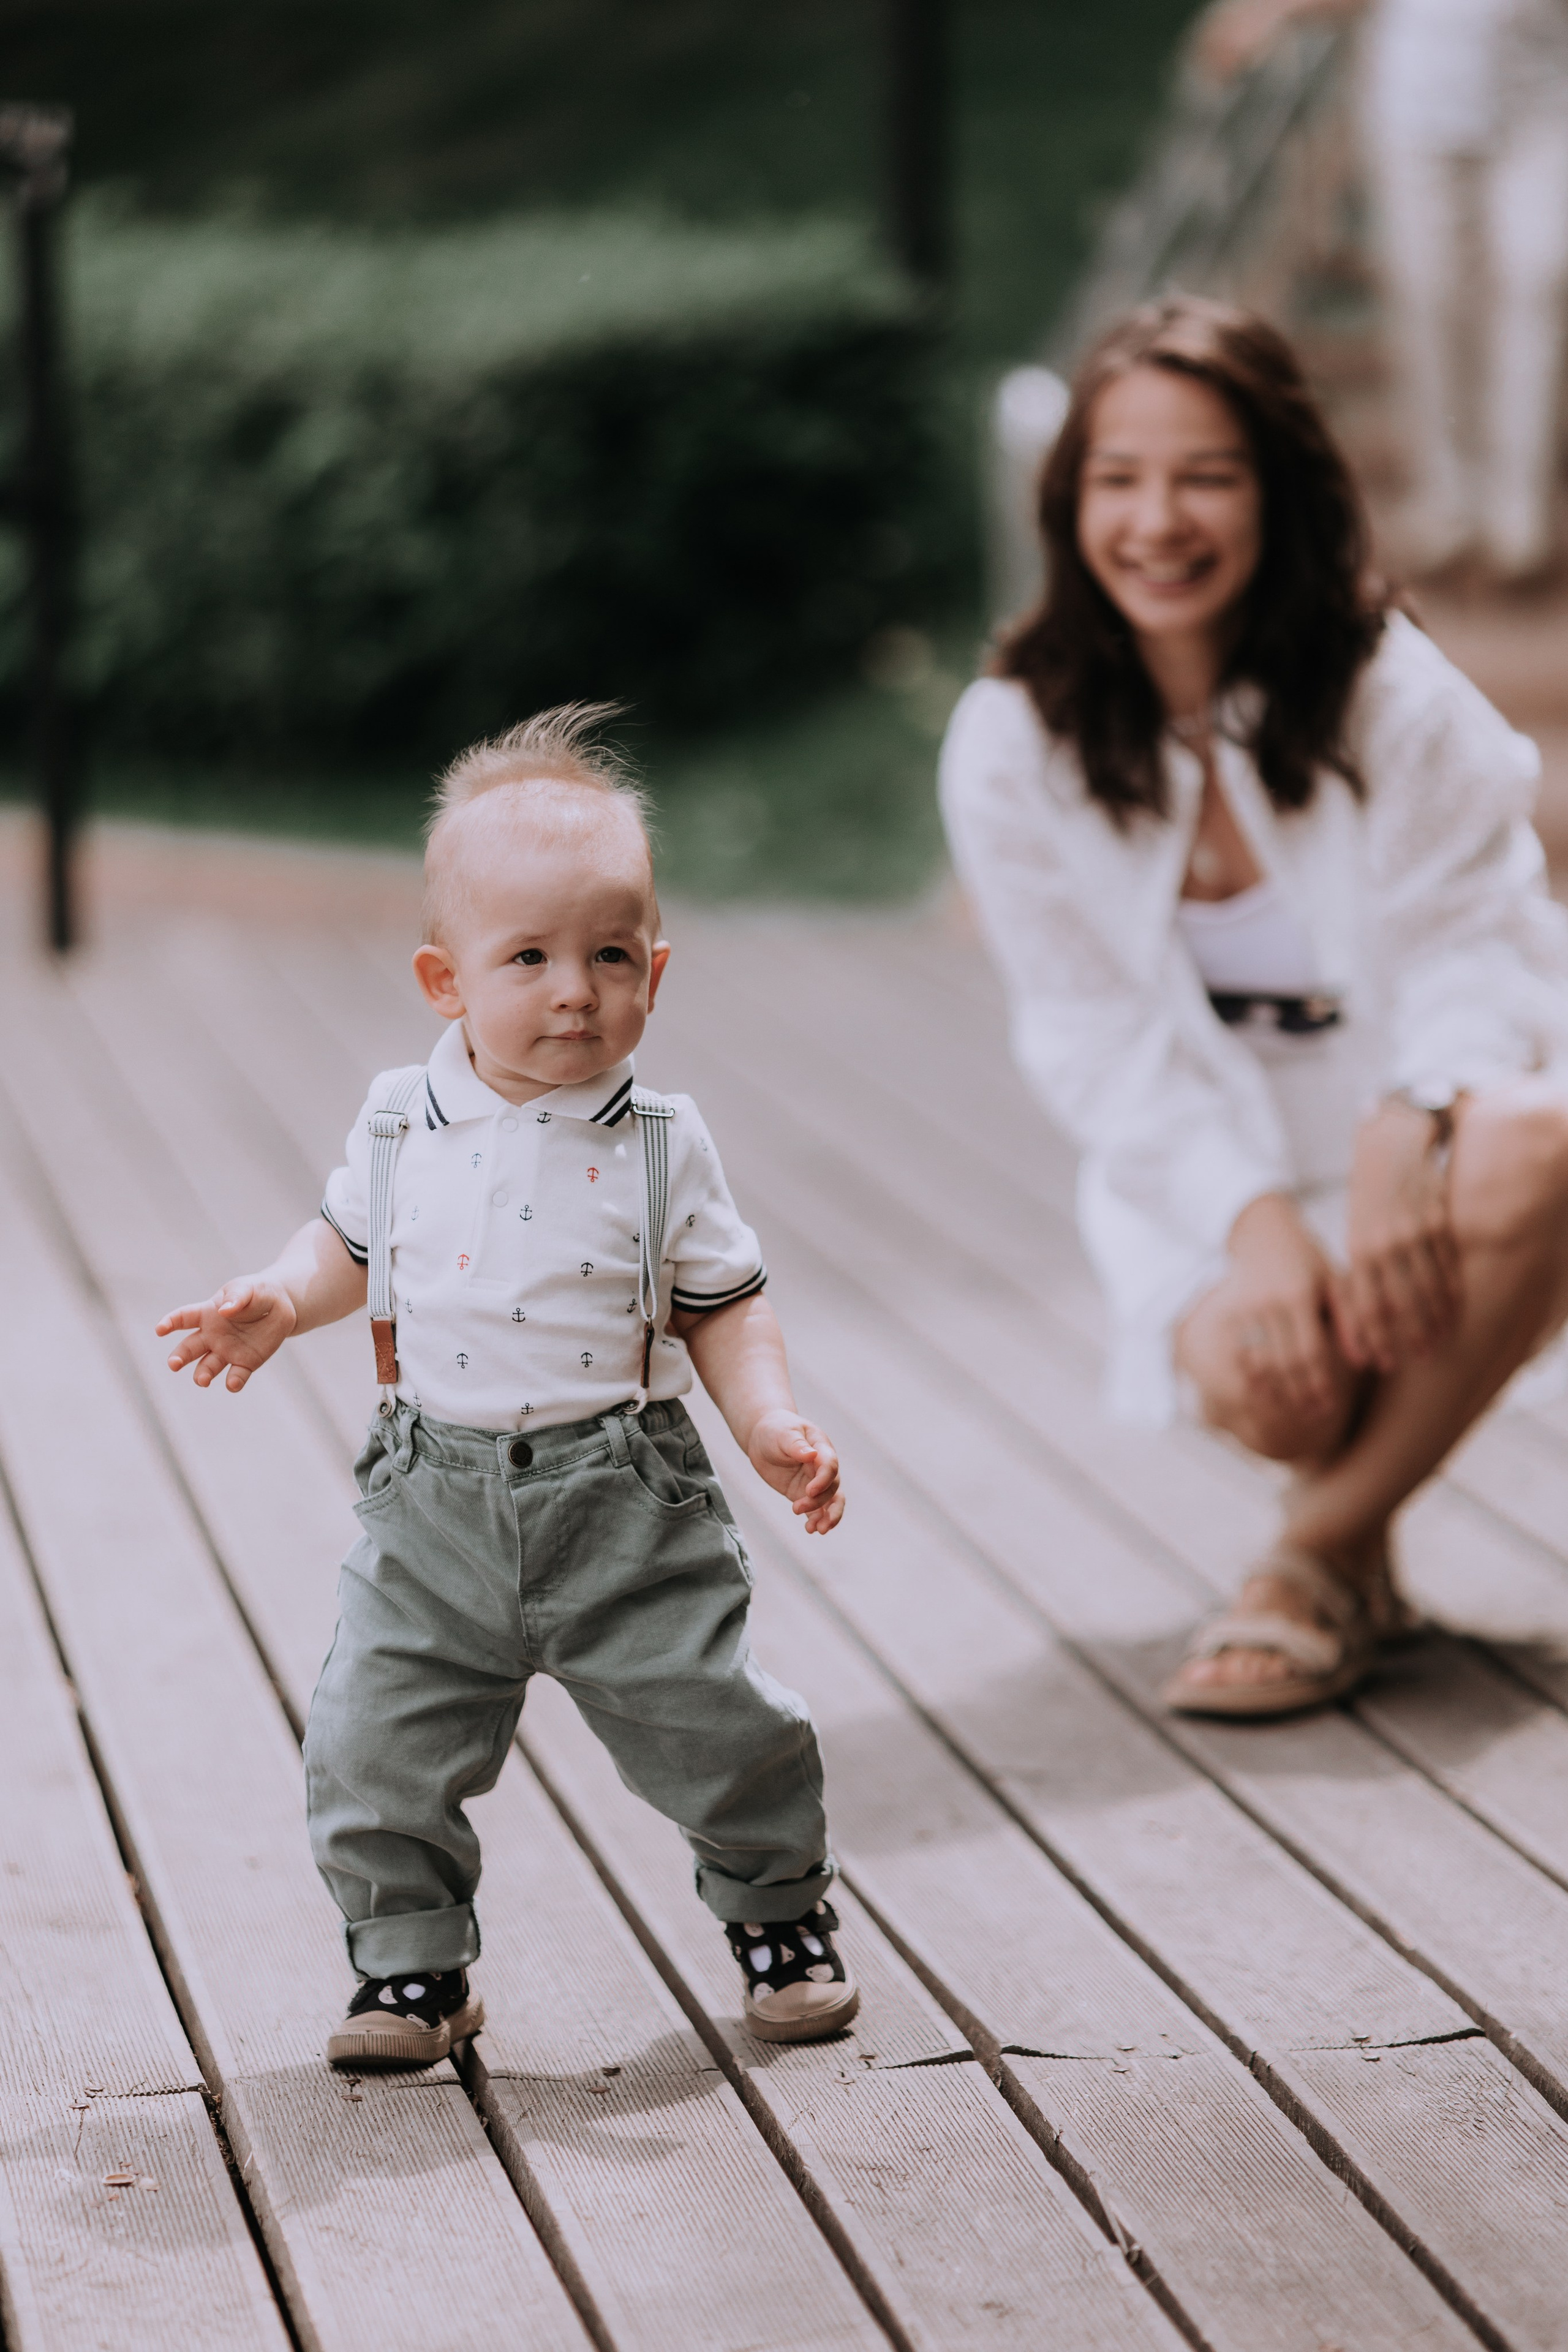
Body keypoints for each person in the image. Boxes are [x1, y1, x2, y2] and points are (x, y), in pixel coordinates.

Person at [155, 707, 858, 2064]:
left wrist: (764, 1418)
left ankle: (779, 1912)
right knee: (372, 1745)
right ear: (445, 979)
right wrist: (278, 1302)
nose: (573, 993)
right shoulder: (398, 1118)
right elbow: (348, 1248)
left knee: (719, 1724)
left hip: (625, 1500)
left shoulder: (664, 1141)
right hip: (435, 1508)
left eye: (608, 956)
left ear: (655, 969)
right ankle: (412, 1970)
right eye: (526, 958)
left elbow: (723, 1303)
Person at [940, 295, 1568, 1719]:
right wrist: (1251, 1219)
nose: (1156, 519)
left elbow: (1476, 935)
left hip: (1425, 1145)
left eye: (1203, 475)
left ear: (1276, 492)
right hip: (1208, 1182)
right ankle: (1354, 1557)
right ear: (1067, 505)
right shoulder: (1007, 743)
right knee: (1267, 1378)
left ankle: (1302, 1560)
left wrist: (1414, 1114)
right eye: (1118, 479)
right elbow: (1089, 1035)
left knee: (1540, 1134)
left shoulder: (1385, 691)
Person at [1200, 0, 1568, 579]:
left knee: (1539, 281)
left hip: (1547, 98)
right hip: (1419, 100)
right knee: (1428, 293)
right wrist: (1269, 15)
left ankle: (1518, 514)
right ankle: (1451, 503)